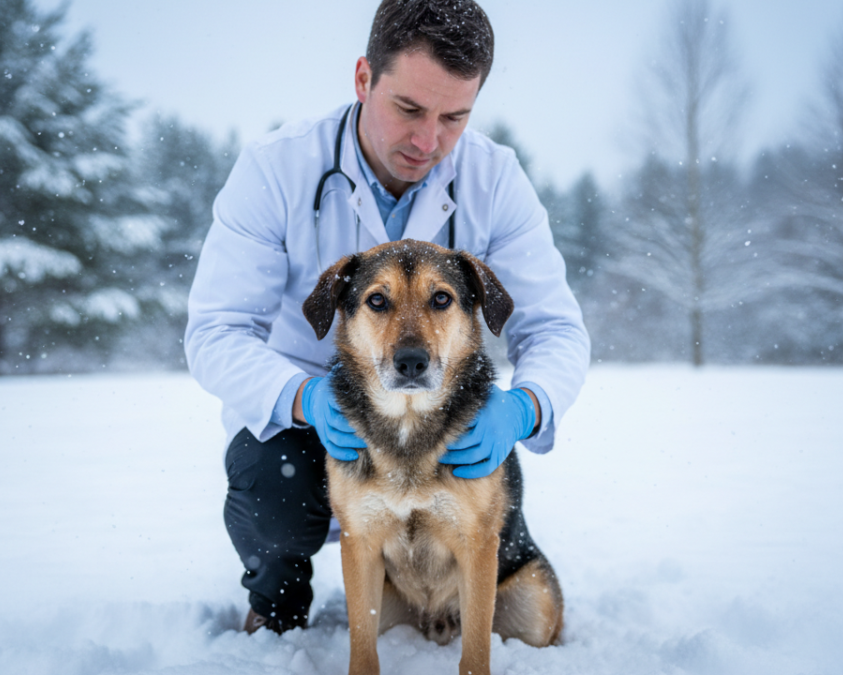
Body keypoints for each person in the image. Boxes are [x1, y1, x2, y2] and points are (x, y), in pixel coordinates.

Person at [185, 0, 590, 634]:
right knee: (274, 487)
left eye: (454, 117)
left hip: (437, 412)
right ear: (363, 79)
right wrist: (304, 400)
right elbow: (216, 331)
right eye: (409, 109)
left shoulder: (494, 179)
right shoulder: (276, 168)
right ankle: (277, 612)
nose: (428, 141)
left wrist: (525, 407)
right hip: (309, 413)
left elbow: (555, 328)